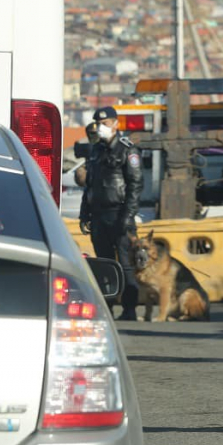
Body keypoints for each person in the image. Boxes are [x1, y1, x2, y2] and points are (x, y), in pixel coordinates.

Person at [79, 106, 143, 321]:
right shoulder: (96, 150)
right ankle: (106, 308)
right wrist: (84, 214)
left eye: (105, 124)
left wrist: (127, 217)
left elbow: (135, 185)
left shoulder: (127, 150)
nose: (101, 128)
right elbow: (90, 185)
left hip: (119, 214)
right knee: (104, 264)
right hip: (99, 215)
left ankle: (129, 309)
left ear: (116, 124)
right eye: (98, 124)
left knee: (125, 263)